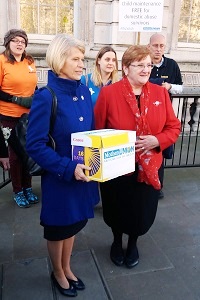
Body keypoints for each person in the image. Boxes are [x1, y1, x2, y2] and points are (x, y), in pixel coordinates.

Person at [94, 45, 180, 269]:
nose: (146, 69)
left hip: (150, 166)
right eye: (139, 65)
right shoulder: (108, 93)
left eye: (149, 65)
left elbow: (173, 127)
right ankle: (116, 241)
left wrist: (157, 140)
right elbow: (98, 129)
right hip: (118, 166)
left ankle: (133, 243)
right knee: (116, 206)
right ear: (125, 68)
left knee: (141, 209)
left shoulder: (161, 92)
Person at [26, 34, 100, 297]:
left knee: (74, 224)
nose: (82, 65)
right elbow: (34, 145)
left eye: (84, 59)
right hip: (60, 177)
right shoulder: (46, 96)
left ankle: (67, 267)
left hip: (84, 175)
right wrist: (69, 169)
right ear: (60, 60)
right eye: (76, 59)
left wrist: (98, 160)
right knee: (58, 229)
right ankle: (57, 271)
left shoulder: (81, 89)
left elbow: (89, 132)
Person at [0, 29, 38, 208]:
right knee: (15, 156)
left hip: (28, 116)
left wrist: (35, 97)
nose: (19, 43)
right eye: (15, 40)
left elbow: (33, 85)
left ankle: (28, 187)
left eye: (22, 40)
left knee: (28, 152)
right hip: (9, 116)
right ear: (8, 43)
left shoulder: (29, 62)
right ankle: (17, 190)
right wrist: (15, 99)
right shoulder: (1, 61)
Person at [148, 33, 183, 199]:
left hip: (164, 115)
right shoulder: (144, 63)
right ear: (149, 46)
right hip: (145, 114)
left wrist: (169, 86)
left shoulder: (172, 65)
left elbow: (181, 88)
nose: (158, 49)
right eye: (155, 45)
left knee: (160, 150)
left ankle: (158, 185)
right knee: (145, 149)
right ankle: (145, 181)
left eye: (161, 46)